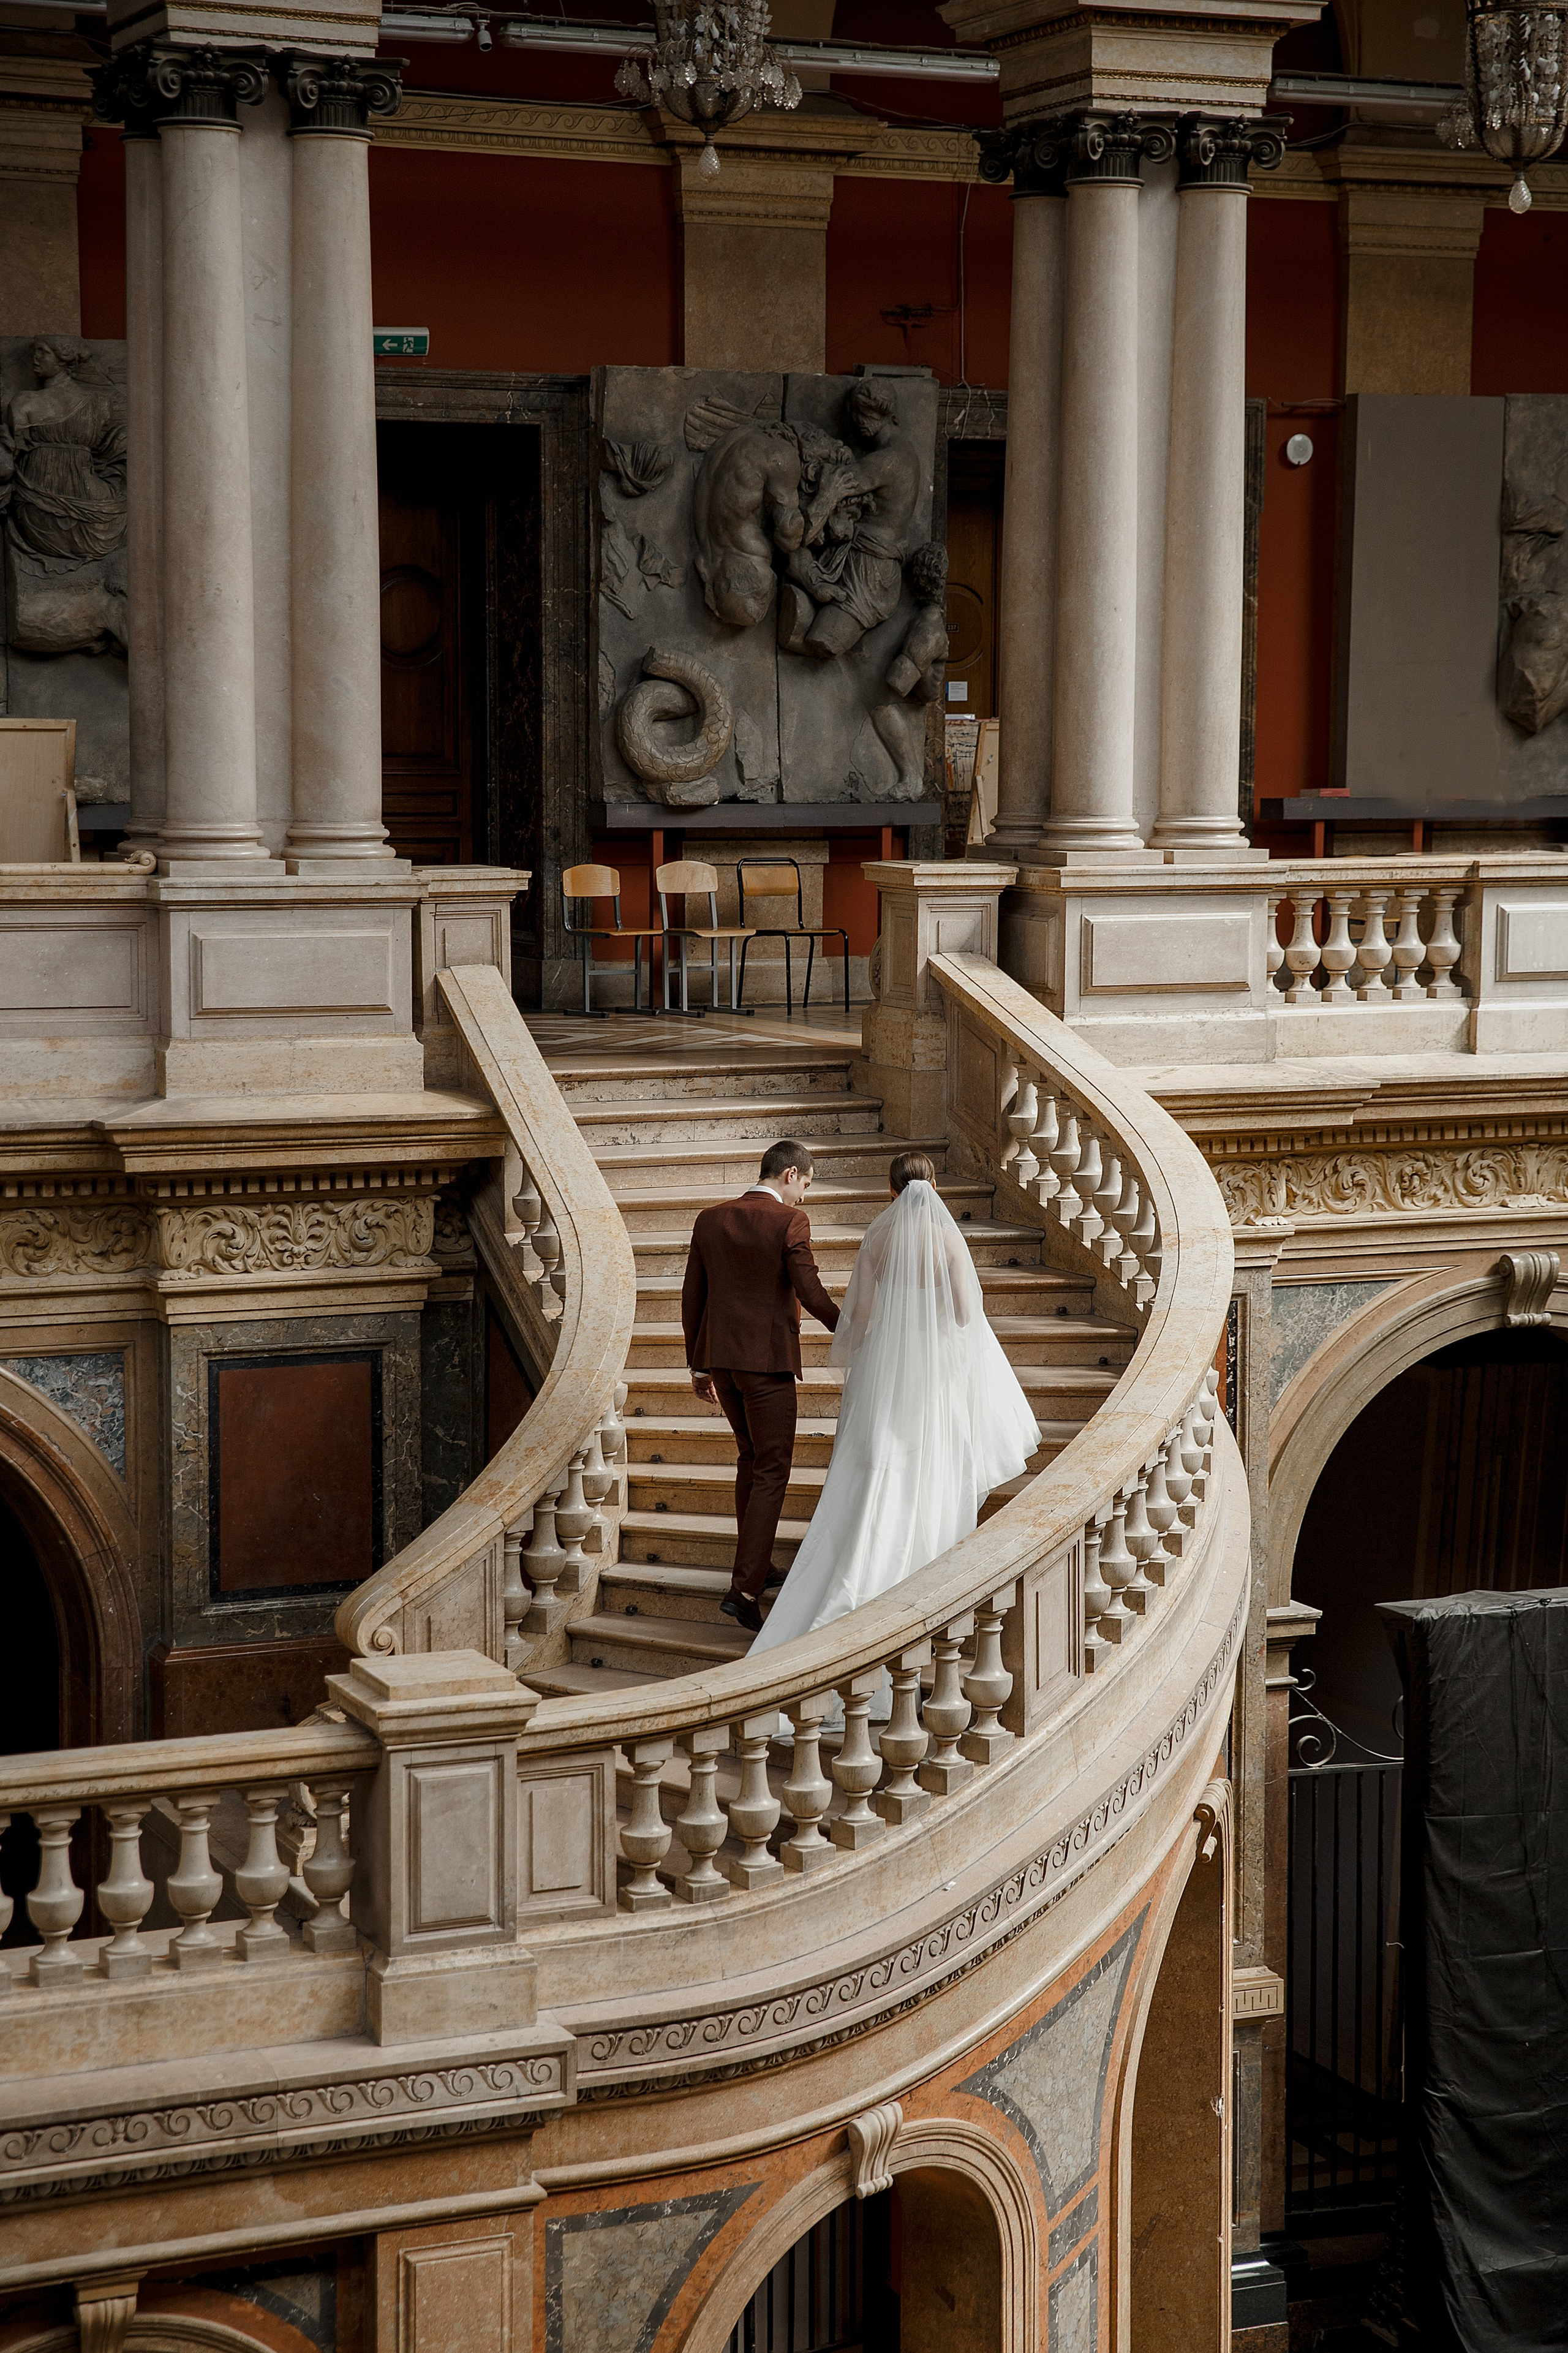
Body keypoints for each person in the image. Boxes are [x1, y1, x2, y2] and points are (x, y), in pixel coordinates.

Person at [747, 1152, 1040, 1661]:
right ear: (931, 1186)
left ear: (890, 1190)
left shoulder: (879, 1239)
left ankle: (865, 1560)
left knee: (882, 1463)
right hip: (935, 1368)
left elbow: (857, 1317)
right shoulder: (948, 1237)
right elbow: (968, 1314)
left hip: (888, 1361)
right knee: (932, 1464)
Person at [682, 1138, 840, 1633]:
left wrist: (699, 1366)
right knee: (772, 1467)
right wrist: (852, 1327)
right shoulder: (788, 1222)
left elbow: (693, 1295)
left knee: (750, 1459)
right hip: (766, 1365)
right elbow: (808, 1287)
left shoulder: (710, 1218)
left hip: (722, 1364)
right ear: (790, 1174)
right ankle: (745, 1590)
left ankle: (760, 1563)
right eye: (806, 1186)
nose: (804, 1198)